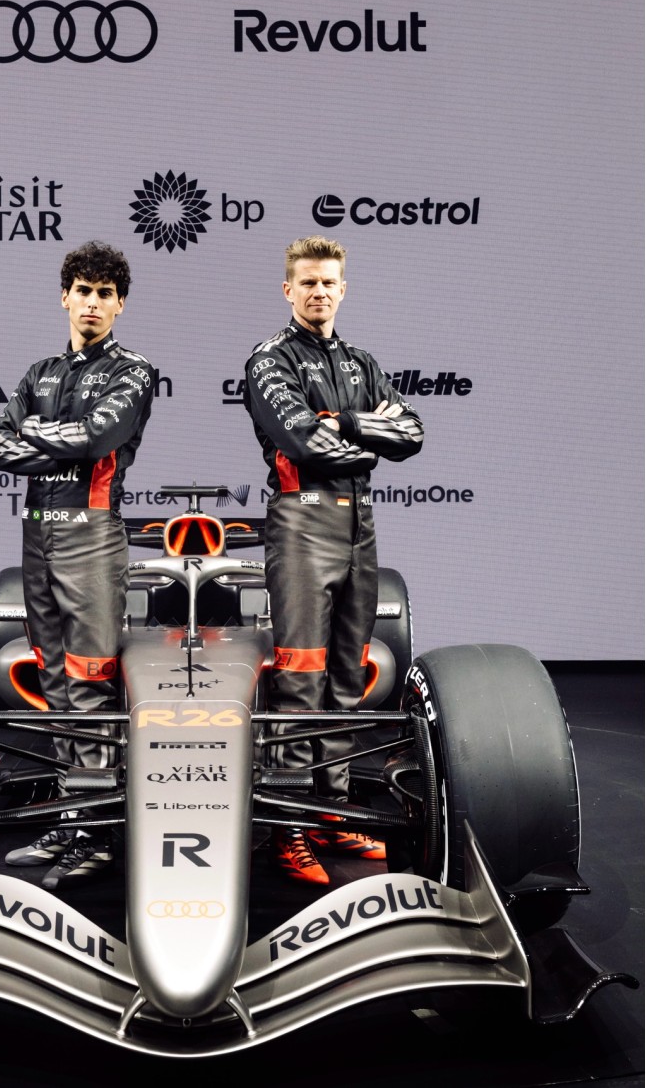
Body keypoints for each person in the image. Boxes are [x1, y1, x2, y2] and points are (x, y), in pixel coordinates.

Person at [244, 236, 424, 885]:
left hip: (359, 526)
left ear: (343, 289)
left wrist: (342, 423)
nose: (319, 292)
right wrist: (366, 430)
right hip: (302, 523)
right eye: (308, 282)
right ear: (288, 290)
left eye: (328, 282)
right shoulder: (269, 360)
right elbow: (304, 441)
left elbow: (411, 433)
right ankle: (287, 829)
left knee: (347, 678)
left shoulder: (361, 362)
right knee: (300, 679)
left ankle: (332, 812)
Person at [0, 240, 155, 889]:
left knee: (89, 684)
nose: (91, 303)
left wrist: (37, 436)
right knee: (55, 681)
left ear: (120, 304)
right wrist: (54, 443)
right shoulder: (39, 373)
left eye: (104, 294)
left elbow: (95, 438)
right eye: (82, 291)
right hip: (38, 535)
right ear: (65, 296)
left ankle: (99, 830)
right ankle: (70, 815)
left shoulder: (133, 372)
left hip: (91, 534)